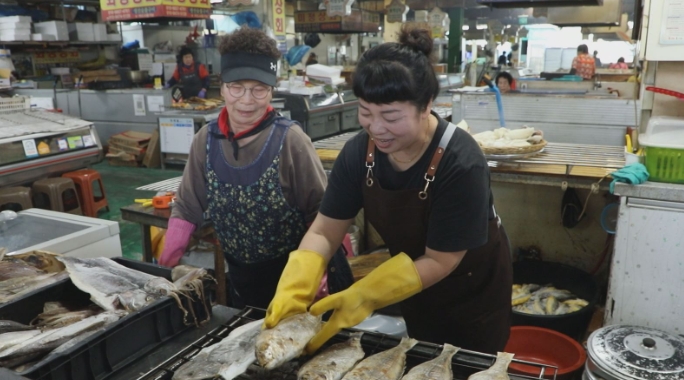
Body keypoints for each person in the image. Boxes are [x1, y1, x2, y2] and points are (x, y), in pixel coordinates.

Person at [265, 26, 512, 355]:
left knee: (469, 374)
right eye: (365, 112)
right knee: (419, 362)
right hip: (408, 284)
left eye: (391, 117)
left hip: (471, 294)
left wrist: (366, 294)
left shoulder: (461, 163)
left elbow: (441, 260)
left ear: (426, 107)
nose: (376, 128)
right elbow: (325, 230)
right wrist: (297, 284)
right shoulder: (358, 153)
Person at [158, 26, 352, 309]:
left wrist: (322, 270)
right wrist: (165, 267)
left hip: (301, 283)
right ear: (222, 87)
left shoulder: (290, 141)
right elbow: (188, 207)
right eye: (237, 87)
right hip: (242, 281)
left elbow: (323, 213)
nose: (247, 100)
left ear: (272, 90)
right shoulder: (206, 141)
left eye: (259, 89)